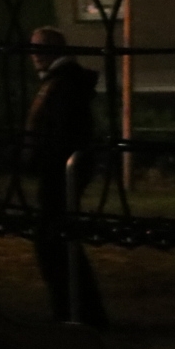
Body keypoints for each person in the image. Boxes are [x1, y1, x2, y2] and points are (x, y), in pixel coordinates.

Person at [24, 27, 109, 328]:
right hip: (62, 169)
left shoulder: (62, 84)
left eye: (40, 48)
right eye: (33, 48)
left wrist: (41, 158)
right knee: (58, 239)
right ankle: (77, 308)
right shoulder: (63, 81)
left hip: (60, 171)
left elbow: (61, 131)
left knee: (53, 240)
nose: (35, 54)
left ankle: (72, 309)